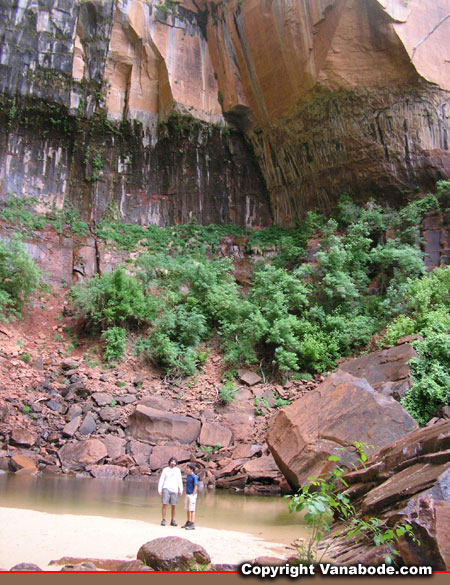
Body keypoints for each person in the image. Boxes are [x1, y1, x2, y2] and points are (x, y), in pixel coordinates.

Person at [158, 457, 183, 526]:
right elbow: (162, 479)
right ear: (169, 462)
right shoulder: (165, 470)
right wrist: (159, 489)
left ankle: (172, 520)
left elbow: (179, 480)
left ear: (176, 463)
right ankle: (163, 519)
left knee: (173, 505)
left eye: (174, 462)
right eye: (172, 461)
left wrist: (180, 489)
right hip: (166, 488)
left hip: (174, 489)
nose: (173, 463)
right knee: (164, 504)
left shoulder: (177, 470)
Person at [182, 463, 198, 530]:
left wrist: (193, 494)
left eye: (188, 468)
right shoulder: (188, 475)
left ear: (191, 469)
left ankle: (192, 523)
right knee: (188, 509)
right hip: (187, 494)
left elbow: (195, 486)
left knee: (192, 509)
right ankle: (188, 521)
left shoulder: (194, 476)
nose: (187, 469)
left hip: (192, 495)